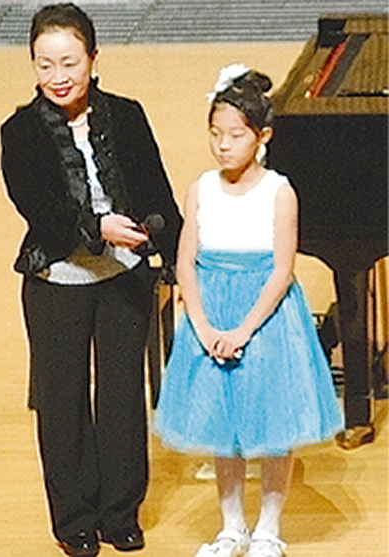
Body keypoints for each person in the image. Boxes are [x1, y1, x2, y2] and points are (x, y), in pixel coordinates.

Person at [0, 4, 182, 556]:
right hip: (56, 281)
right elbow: (39, 208)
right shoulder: (19, 131)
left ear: (93, 58)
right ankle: (74, 519)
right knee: (63, 402)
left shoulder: (126, 115)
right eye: (45, 64)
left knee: (123, 397)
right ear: (33, 64)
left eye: (69, 63)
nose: (58, 76)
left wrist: (172, 255)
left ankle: (120, 513)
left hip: (124, 277)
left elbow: (156, 190)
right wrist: (99, 227)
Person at [155, 64, 343, 557]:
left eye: (235, 135)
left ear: (262, 136)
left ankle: (269, 528)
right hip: (212, 313)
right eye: (216, 134)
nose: (223, 145)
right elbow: (186, 262)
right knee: (225, 425)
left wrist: (242, 330)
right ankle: (231, 526)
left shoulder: (279, 191)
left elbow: (282, 270)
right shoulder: (201, 188)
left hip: (265, 319)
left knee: (273, 423)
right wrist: (202, 325)